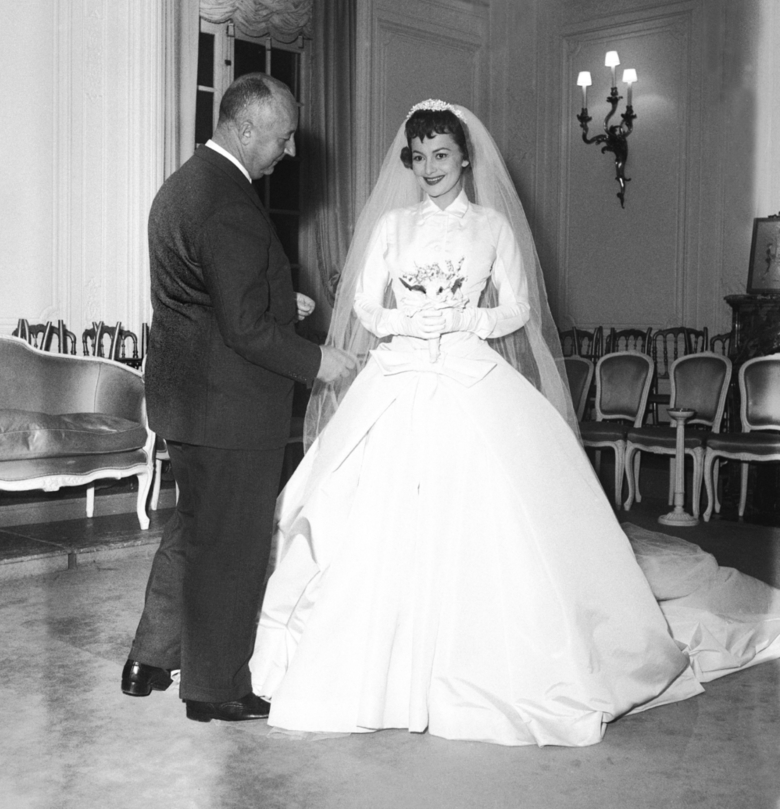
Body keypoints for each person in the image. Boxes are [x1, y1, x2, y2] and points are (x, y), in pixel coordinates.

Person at [247, 100, 780, 747]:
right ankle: (366, 666)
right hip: (400, 371)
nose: (430, 168)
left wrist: (468, 321)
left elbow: (518, 308)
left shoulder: (490, 228)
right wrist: (399, 322)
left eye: (442, 154)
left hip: (470, 372)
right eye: (419, 158)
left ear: (465, 157)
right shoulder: (391, 225)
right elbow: (363, 300)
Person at [121, 73, 355, 723]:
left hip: (184, 401)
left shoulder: (184, 186)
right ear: (245, 129)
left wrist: (284, 299)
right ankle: (214, 688)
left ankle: (149, 658)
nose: (289, 152)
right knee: (234, 548)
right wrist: (318, 360)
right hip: (228, 408)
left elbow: (208, 295)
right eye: (281, 138)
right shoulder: (229, 203)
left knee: (193, 529)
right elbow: (245, 328)